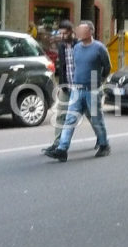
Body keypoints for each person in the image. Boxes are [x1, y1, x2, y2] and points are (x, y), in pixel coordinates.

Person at [45, 21, 111, 162]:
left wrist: (98, 81)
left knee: (96, 119)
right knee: (69, 119)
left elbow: (107, 67)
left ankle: (104, 145)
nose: (79, 33)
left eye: (82, 31)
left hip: (92, 90)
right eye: (78, 30)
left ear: (90, 32)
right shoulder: (77, 48)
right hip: (76, 89)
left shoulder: (99, 48)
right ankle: (62, 149)